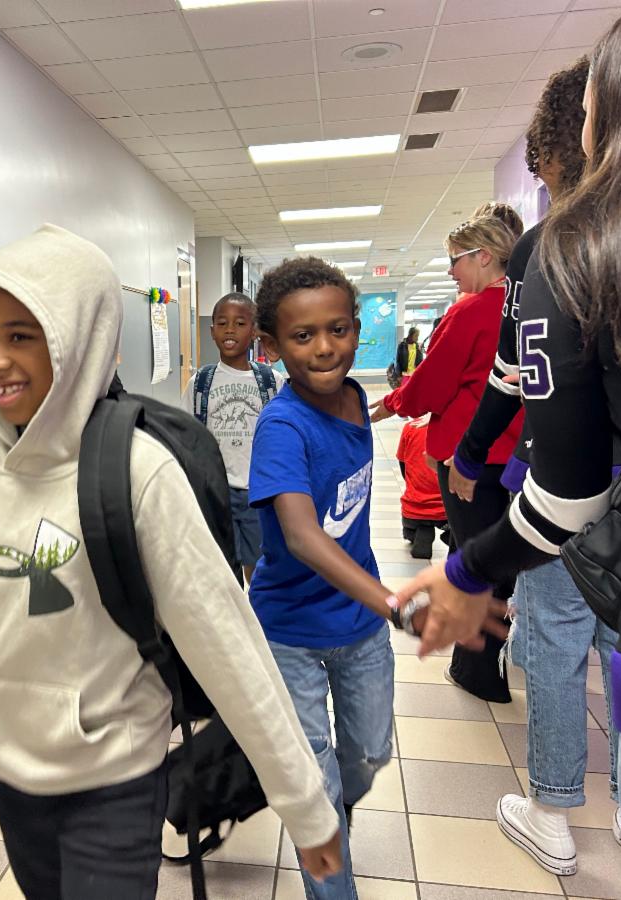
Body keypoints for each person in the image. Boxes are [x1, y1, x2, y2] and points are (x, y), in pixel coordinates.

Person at [0, 224, 348, 898]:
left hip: (113, 780)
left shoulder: (137, 471)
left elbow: (230, 649)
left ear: (79, 338)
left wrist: (305, 806)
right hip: (10, 772)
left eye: (21, 336)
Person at [395, 2, 621, 896]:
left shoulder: (577, 251)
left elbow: (568, 495)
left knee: (557, 637)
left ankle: (556, 808)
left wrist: (466, 571)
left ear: (617, 112)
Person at [247, 257, 507, 900]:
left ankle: (328, 807)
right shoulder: (281, 427)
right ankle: (324, 841)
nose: (324, 347)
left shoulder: (357, 401)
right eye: (303, 336)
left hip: (358, 628)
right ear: (272, 347)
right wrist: (396, 604)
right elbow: (303, 535)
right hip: (290, 633)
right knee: (315, 787)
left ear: (357, 330)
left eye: (337, 329)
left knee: (366, 755)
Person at [445, 58, 621, 877]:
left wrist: (470, 454)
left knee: (554, 637)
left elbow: (512, 376)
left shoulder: (549, 249)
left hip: (560, 477)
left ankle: (552, 809)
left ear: (556, 150)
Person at [369, 213, 524, 704]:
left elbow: (433, 383)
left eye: (455, 260)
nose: (451, 271)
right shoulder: (527, 306)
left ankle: (479, 671)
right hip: (516, 456)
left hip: (467, 458)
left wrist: (390, 404)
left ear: (484, 256)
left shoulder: (471, 310)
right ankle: (498, 657)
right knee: (502, 556)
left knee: (475, 559)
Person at [181, 291, 284, 584]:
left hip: (259, 493)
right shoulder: (200, 383)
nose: (230, 330)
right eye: (222, 323)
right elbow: (186, 437)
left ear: (254, 331)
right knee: (221, 569)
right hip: (216, 493)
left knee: (259, 568)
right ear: (211, 330)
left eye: (240, 323)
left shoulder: (271, 382)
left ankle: (256, 611)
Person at [396, 415, 447, 560]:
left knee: (409, 531)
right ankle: (451, 534)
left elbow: (402, 462)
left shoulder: (410, 428)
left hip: (414, 506)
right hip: (446, 507)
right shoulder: (451, 426)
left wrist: (412, 483)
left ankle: (420, 530)